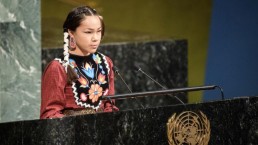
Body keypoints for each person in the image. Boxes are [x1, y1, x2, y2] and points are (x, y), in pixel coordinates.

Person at [40, 6, 119, 119]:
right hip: (72, 133)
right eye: (88, 32)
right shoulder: (58, 67)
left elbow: (109, 106)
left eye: (99, 31)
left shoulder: (106, 62)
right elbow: (50, 115)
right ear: (71, 33)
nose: (95, 38)